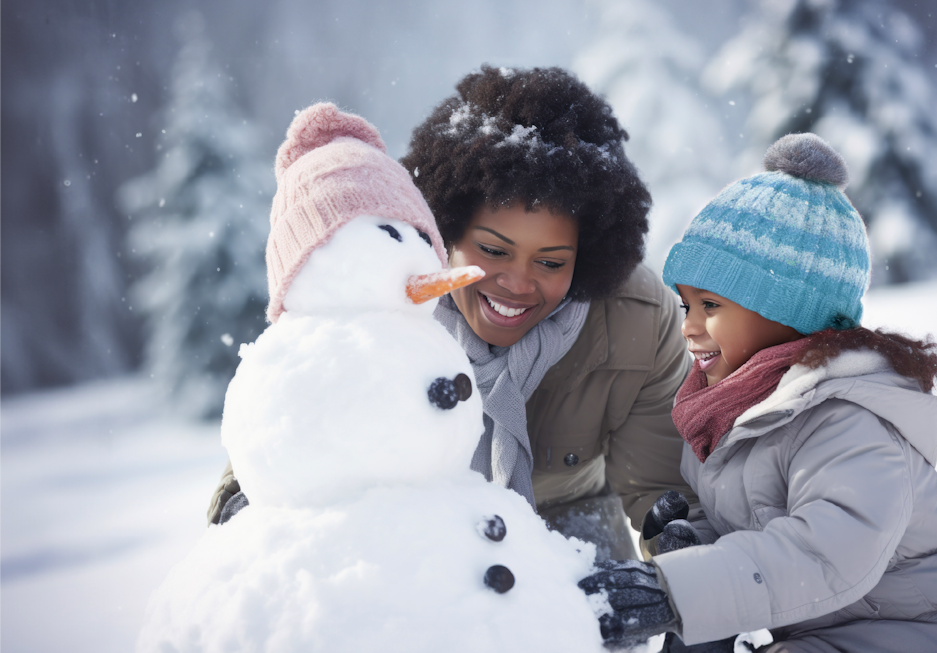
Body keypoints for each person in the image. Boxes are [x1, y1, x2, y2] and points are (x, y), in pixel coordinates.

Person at [209, 65, 697, 561]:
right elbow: (293, 407)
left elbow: (660, 487)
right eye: (494, 250)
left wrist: (681, 570)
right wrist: (245, 494)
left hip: (573, 517)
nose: (517, 283)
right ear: (445, 233)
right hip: (408, 523)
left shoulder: (635, 318)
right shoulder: (385, 294)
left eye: (550, 262)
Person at [578, 133, 937, 652]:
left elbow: (826, 551)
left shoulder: (845, 419)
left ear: (791, 314)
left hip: (924, 630)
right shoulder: (725, 411)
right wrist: (695, 542)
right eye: (685, 305)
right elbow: (760, 534)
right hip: (828, 627)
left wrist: (680, 591)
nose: (688, 327)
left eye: (711, 305)